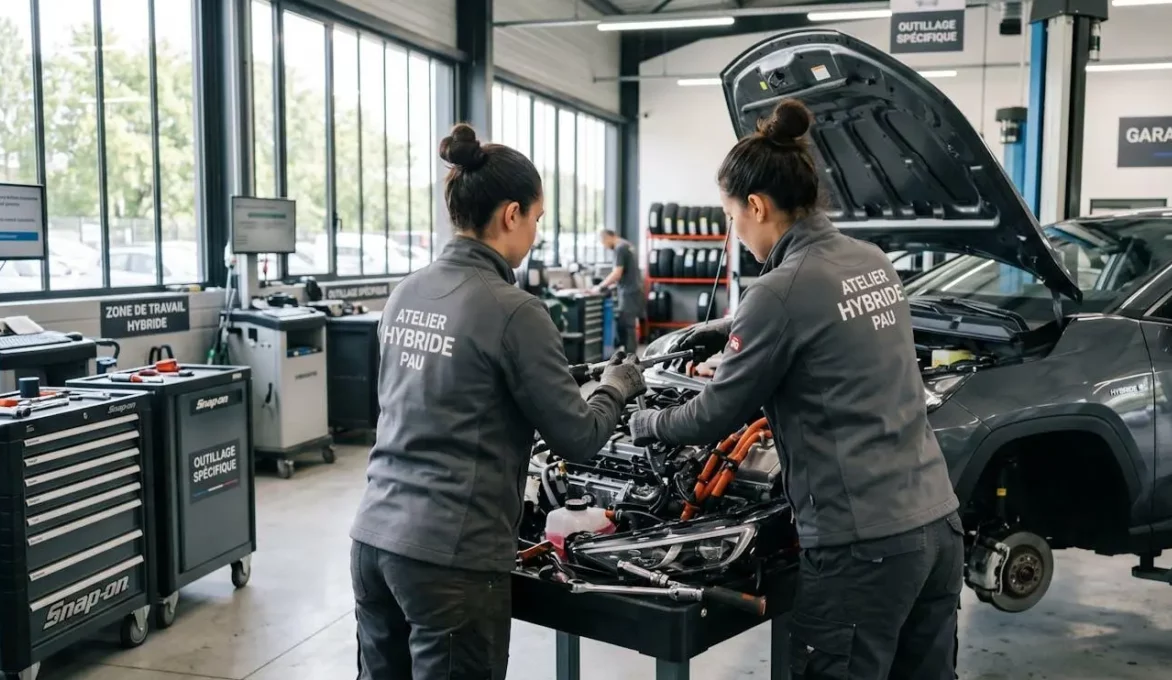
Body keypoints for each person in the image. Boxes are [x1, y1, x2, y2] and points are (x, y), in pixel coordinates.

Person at [628, 99, 963, 680]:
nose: (735, 230)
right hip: (936, 526)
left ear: (756, 206)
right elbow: (836, 354)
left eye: (733, 216)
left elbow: (712, 417)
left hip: (861, 546)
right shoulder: (873, 262)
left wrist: (646, 423)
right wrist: (738, 354)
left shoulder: (778, 290)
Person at [350, 123, 647, 680]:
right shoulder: (514, 310)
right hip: (451, 558)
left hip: (373, 540)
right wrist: (617, 386)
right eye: (536, 218)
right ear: (510, 214)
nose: (535, 232)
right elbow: (578, 436)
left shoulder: (404, 293)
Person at [595, 229, 645, 353]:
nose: (605, 247)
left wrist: (600, 286)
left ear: (607, 238)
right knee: (627, 325)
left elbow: (617, 273)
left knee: (628, 327)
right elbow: (628, 272)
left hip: (628, 292)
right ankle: (629, 355)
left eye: (603, 243)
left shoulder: (620, 248)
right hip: (635, 290)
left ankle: (630, 359)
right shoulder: (627, 245)